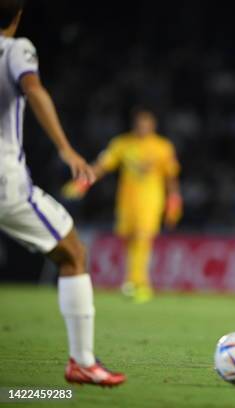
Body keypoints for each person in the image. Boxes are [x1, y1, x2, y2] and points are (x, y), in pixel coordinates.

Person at [0, 0, 125, 386]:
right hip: (5, 180)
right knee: (72, 252)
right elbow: (33, 89)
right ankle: (82, 361)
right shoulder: (16, 49)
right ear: (17, 16)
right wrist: (64, 147)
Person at [62, 108, 182, 303]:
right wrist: (82, 183)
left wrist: (174, 200)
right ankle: (131, 282)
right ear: (134, 125)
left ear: (153, 126)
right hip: (127, 201)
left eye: (146, 124)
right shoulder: (122, 144)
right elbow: (102, 166)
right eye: (139, 124)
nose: (142, 128)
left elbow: (171, 176)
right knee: (128, 240)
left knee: (143, 238)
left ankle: (141, 284)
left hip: (151, 201)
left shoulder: (163, 147)